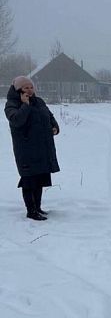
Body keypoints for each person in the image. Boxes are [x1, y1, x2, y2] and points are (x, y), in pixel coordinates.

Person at [4, 76, 60, 221]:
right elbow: (17, 121)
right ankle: (31, 211)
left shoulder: (39, 101)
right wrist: (25, 105)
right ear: (18, 90)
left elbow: (49, 115)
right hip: (26, 149)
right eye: (25, 88)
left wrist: (54, 126)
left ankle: (38, 208)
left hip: (42, 148)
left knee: (40, 177)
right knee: (29, 179)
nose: (29, 90)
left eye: (31, 87)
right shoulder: (12, 104)